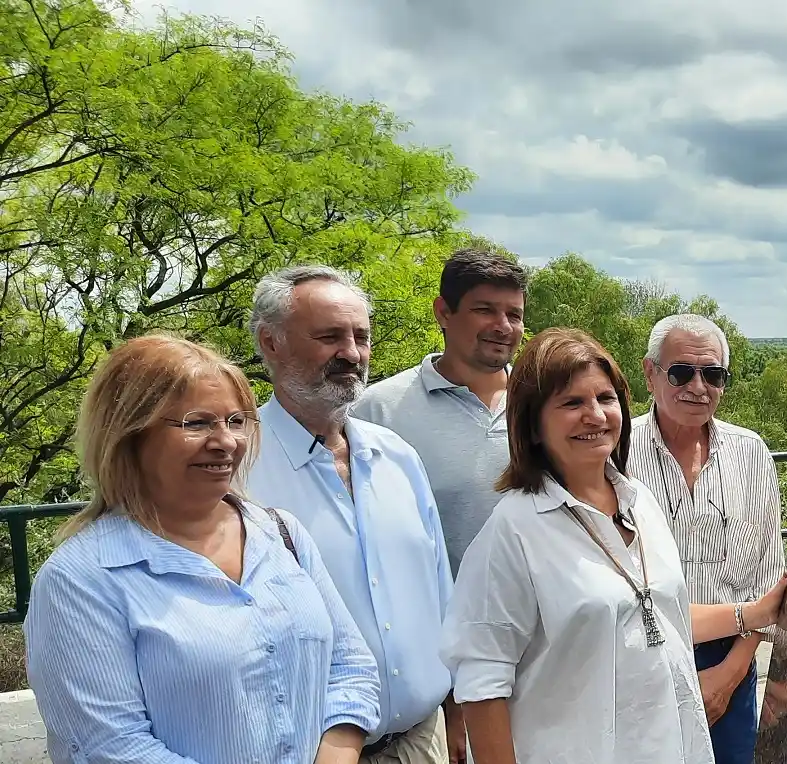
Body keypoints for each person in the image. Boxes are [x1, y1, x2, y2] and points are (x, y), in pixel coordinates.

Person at [439, 327, 787, 764]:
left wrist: (756, 613)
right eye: (572, 403)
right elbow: (481, 683)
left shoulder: (640, 503)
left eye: (605, 399)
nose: (595, 416)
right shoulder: (514, 531)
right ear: (531, 424)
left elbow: (653, 612)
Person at [25, 334, 381, 764]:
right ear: (128, 434)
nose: (226, 441)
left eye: (236, 420)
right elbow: (110, 747)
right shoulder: (83, 578)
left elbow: (351, 668)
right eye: (196, 423)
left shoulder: (282, 533)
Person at [245, 265, 455, 764]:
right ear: (270, 343)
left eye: (361, 336)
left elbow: (441, 595)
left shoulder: (397, 456)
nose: (352, 354)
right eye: (329, 336)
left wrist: (458, 707)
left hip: (425, 740)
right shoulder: (238, 467)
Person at [627, 314, 787, 764]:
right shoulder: (616, 452)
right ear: (650, 372)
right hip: (642, 658)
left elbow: (768, 577)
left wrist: (730, 675)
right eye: (681, 372)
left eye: (712, 374)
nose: (698, 386)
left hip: (732, 660)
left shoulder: (751, 453)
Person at [353, 245, 528, 572]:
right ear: (444, 312)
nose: (503, 326)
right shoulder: (378, 411)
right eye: (485, 310)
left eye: (514, 315)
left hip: (536, 617)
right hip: (432, 617)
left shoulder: (542, 403)